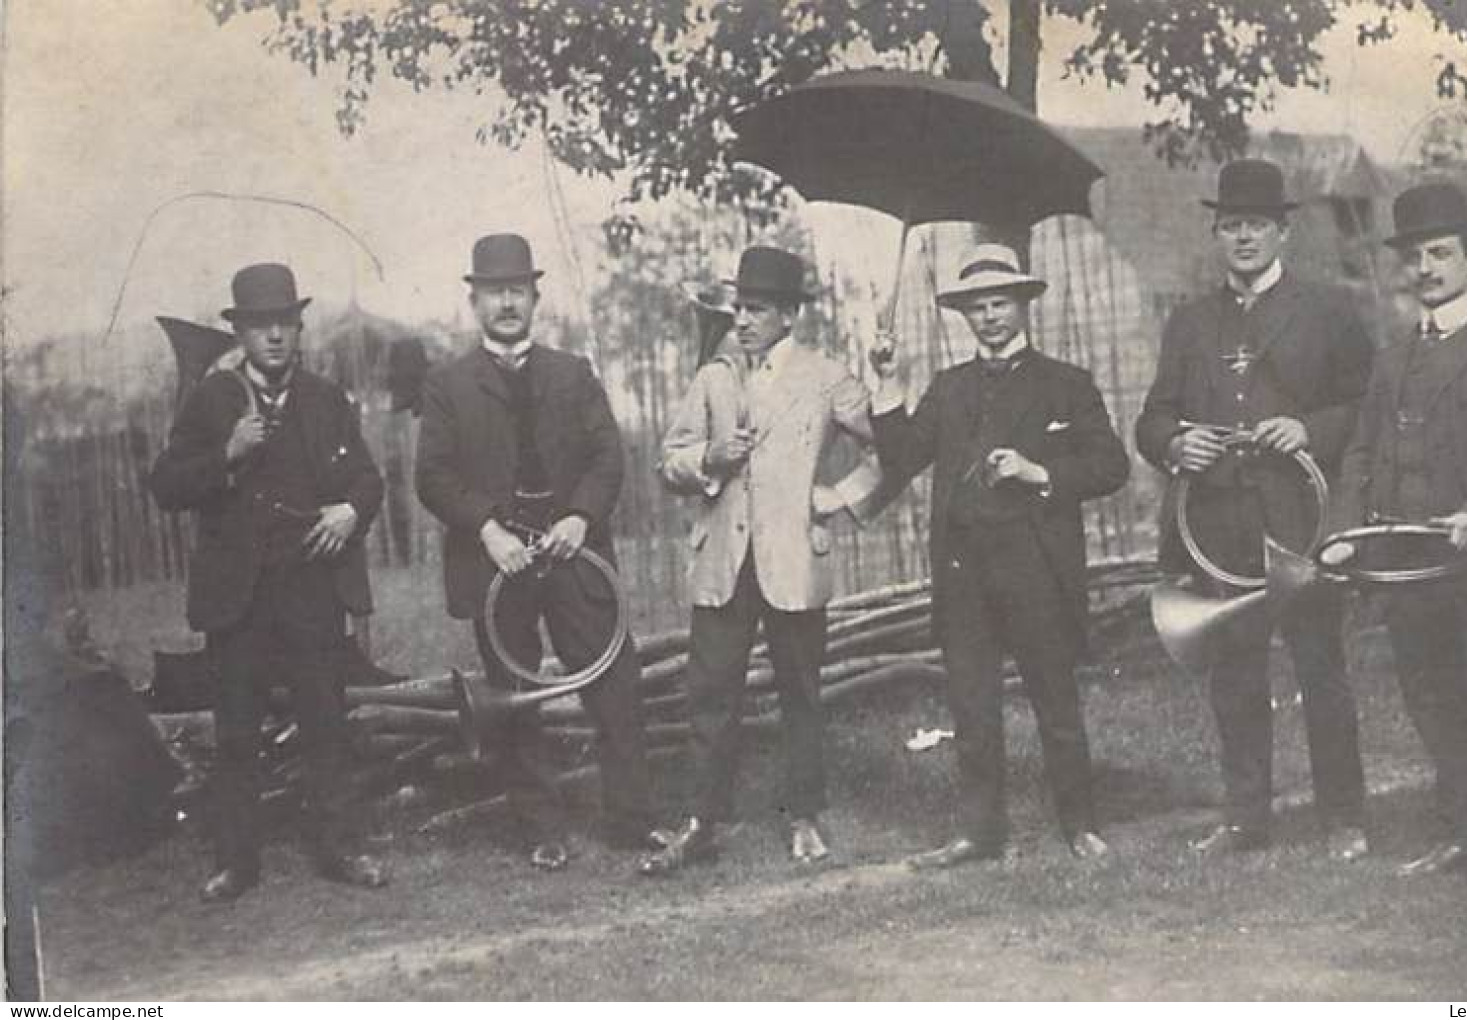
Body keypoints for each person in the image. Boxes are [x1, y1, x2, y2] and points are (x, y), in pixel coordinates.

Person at [1134, 159, 1374, 859]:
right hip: (1215, 526)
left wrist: (1308, 430)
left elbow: (1366, 405)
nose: (1242, 239)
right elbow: (1151, 419)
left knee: (1318, 668)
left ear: (1283, 232)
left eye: (1256, 226)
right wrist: (1178, 442)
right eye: (1230, 226)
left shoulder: (1326, 311)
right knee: (1234, 676)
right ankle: (1245, 819)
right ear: (1216, 233)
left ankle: (1343, 818)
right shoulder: (1189, 322)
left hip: (1299, 520)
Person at [866, 243, 1130, 869]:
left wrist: (1040, 471)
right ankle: (980, 833)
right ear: (964, 316)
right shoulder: (949, 388)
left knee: (1055, 702)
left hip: (1035, 567)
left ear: (1022, 305)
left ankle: (1080, 826)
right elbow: (902, 457)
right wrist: (885, 381)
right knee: (972, 706)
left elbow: (1111, 466)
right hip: (964, 573)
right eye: (977, 307)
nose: (988, 317)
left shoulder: (1065, 384)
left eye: (999, 304)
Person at [1326, 181, 1467, 885]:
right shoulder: (1393, 356)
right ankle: (1463, 833)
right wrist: (1342, 532)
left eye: (1440, 253)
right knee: (1433, 704)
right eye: (1415, 256)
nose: (1426, 268)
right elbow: (1360, 450)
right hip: (1410, 569)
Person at [639, 246, 882, 875]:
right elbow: (670, 461)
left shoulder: (828, 377)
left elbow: (890, 449)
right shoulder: (714, 376)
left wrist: (840, 497)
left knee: (800, 691)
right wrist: (709, 459)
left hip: (794, 560)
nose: (743, 320)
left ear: (789, 315)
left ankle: (803, 815)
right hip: (723, 562)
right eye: (739, 308)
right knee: (710, 693)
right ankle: (701, 822)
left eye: (758, 309)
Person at [149, 263, 388, 901]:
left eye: (285, 323)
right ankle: (236, 862)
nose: (275, 337)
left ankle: (340, 850)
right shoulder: (211, 400)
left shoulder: (327, 400)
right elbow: (165, 485)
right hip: (238, 599)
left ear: (298, 328)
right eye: (261, 326)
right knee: (235, 732)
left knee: (325, 724)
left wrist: (349, 512)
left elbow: (369, 480)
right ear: (241, 333)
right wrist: (224, 456)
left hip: (311, 590)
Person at [416, 233, 656, 870]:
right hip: (499, 562)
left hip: (574, 555)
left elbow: (609, 456)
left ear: (535, 297)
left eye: (517, 291)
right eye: (494, 292)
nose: (506, 304)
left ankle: (631, 821)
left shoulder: (572, 374)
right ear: (474, 301)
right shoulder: (447, 385)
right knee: (513, 695)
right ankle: (540, 831)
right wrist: (487, 530)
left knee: (616, 683)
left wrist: (580, 517)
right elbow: (432, 475)